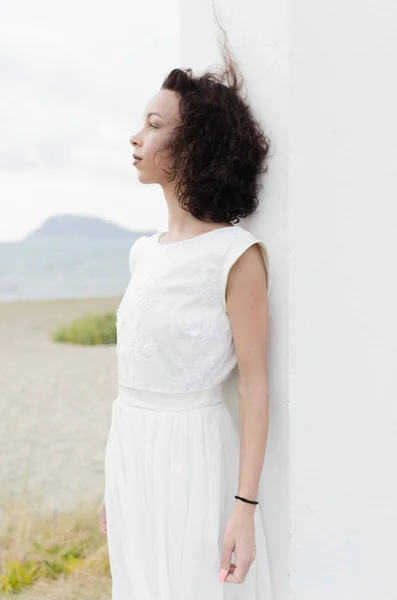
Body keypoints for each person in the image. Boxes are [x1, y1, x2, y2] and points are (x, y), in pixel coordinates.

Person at [98, 46, 274, 600]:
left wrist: (244, 510)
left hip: (192, 457)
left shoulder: (235, 253)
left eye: (154, 125)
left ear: (194, 146)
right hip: (131, 448)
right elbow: (134, 377)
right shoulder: (141, 253)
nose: (136, 138)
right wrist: (115, 482)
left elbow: (254, 385)